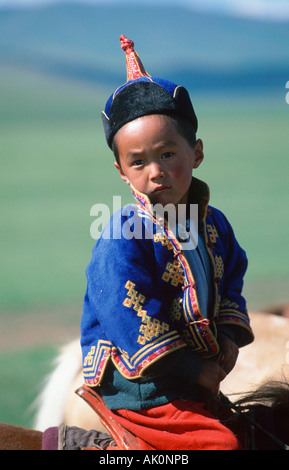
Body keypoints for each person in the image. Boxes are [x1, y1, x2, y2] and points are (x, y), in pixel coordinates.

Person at [80, 35, 254, 450]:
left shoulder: (214, 224)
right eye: (138, 161)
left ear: (195, 153)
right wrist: (191, 367)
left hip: (195, 375)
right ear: (122, 172)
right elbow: (130, 311)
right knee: (221, 446)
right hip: (145, 387)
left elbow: (232, 275)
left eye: (168, 154)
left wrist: (228, 334)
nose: (155, 171)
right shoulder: (122, 235)